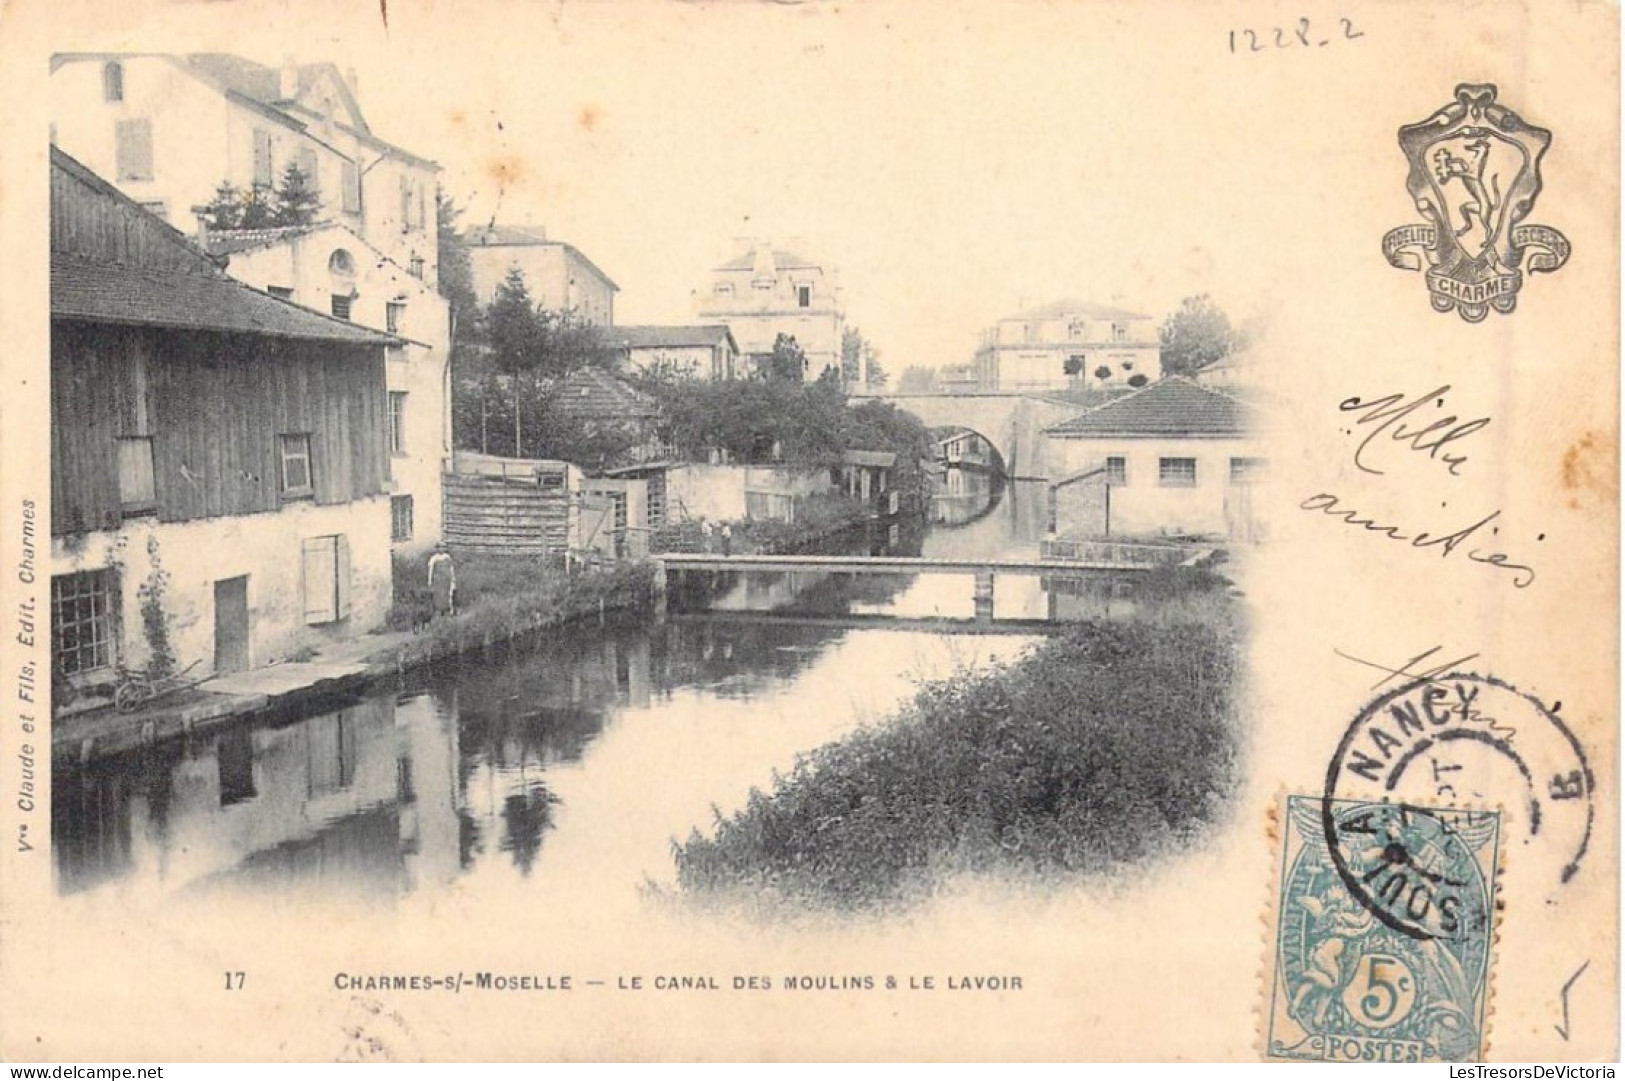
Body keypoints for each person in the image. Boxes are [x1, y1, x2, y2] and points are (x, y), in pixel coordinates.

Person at [427, 543, 457, 618]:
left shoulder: (447, 557)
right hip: (438, 580)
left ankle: (450, 611)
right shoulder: (434, 558)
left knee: (448, 594)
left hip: (447, 579)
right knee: (439, 595)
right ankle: (439, 611)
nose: (442, 549)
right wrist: (430, 580)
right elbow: (431, 570)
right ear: (437, 548)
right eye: (440, 547)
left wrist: (453, 578)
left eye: (443, 547)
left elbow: (451, 568)